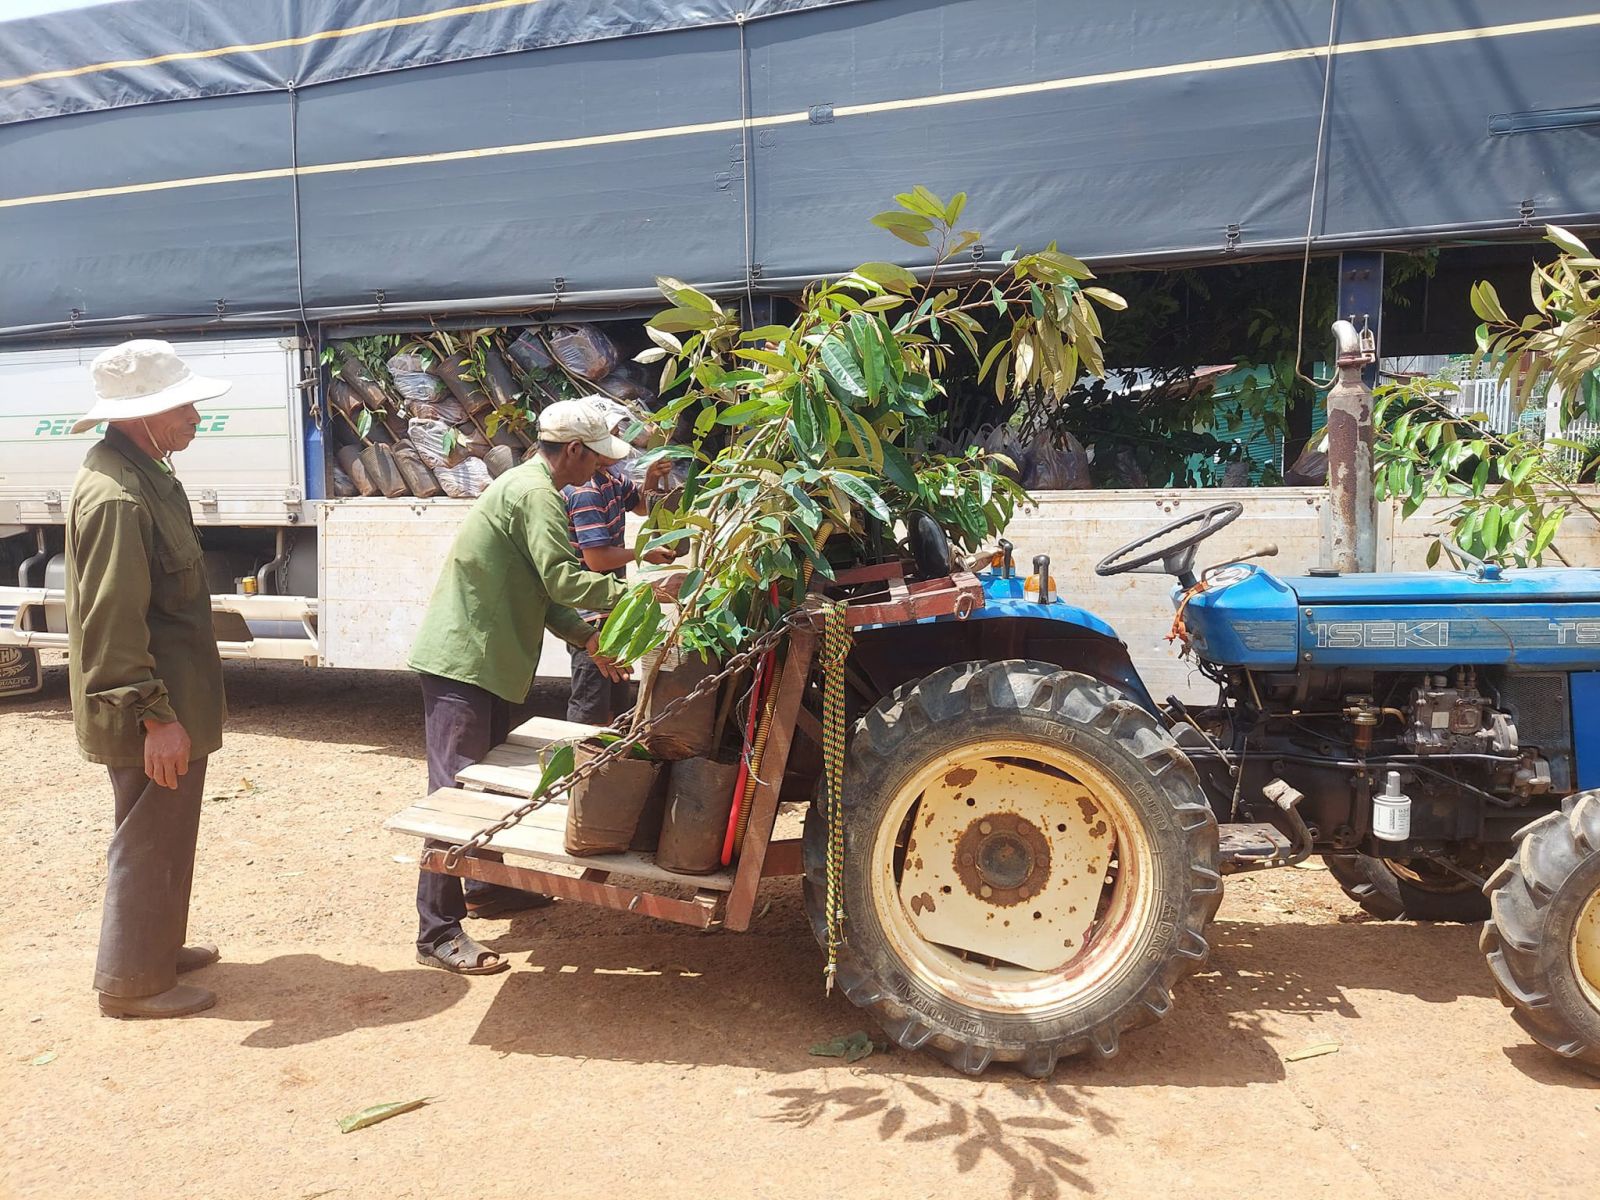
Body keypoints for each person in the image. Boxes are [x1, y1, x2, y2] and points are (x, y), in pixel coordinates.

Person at [406, 398, 673, 974]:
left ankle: (479, 887)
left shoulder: (533, 488)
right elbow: (564, 577)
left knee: (482, 784)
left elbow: (542, 592)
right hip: (465, 661)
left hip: (490, 659)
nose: (603, 470)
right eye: (598, 459)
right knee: (453, 794)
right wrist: (649, 593)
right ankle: (437, 931)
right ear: (572, 451)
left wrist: (587, 639)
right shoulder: (536, 494)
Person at [66, 339, 231, 1019]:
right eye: (183, 404)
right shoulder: (117, 496)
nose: (195, 415)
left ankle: (156, 946)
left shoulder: (147, 470)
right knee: (146, 834)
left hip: (174, 697)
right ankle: (133, 981)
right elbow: (112, 628)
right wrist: (155, 718)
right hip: (150, 707)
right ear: (145, 414)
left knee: (166, 829)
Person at [564, 398, 676, 725]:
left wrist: (652, 478)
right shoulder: (584, 489)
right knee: (590, 703)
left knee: (612, 697)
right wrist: (644, 553)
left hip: (611, 606)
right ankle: (577, 766)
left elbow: (640, 506)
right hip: (590, 613)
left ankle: (602, 764)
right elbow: (596, 560)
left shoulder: (609, 478)